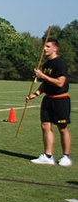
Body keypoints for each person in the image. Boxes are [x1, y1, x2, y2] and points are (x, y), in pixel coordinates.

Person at [27, 38, 71, 167]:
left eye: (48, 46)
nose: (45, 49)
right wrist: (35, 94)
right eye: (44, 46)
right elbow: (45, 85)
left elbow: (60, 82)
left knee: (62, 128)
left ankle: (66, 156)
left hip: (60, 100)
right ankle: (48, 155)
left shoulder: (60, 64)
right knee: (45, 126)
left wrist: (42, 76)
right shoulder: (46, 65)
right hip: (48, 100)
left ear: (55, 49)